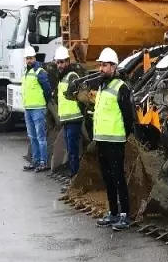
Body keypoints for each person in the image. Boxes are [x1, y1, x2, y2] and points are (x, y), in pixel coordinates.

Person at [92, 47, 136, 232]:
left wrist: (125, 135)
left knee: (118, 178)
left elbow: (128, 116)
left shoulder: (121, 88)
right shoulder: (102, 86)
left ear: (113, 66)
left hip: (115, 141)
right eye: (100, 65)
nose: (101, 69)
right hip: (102, 140)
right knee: (108, 179)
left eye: (105, 65)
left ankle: (125, 214)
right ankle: (113, 212)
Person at [52, 46, 83, 193]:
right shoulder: (63, 78)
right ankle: (74, 180)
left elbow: (81, 96)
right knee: (71, 151)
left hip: (74, 119)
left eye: (63, 62)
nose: (60, 65)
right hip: (67, 120)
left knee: (73, 151)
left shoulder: (72, 76)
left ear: (68, 61)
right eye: (58, 62)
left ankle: (75, 181)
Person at [20, 46, 53, 173]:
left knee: (40, 137)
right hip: (28, 108)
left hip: (38, 109)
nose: (29, 60)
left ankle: (43, 162)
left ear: (34, 58)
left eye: (30, 58)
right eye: (27, 58)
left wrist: (44, 102)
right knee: (32, 137)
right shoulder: (26, 72)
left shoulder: (40, 72)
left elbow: (47, 90)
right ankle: (35, 160)